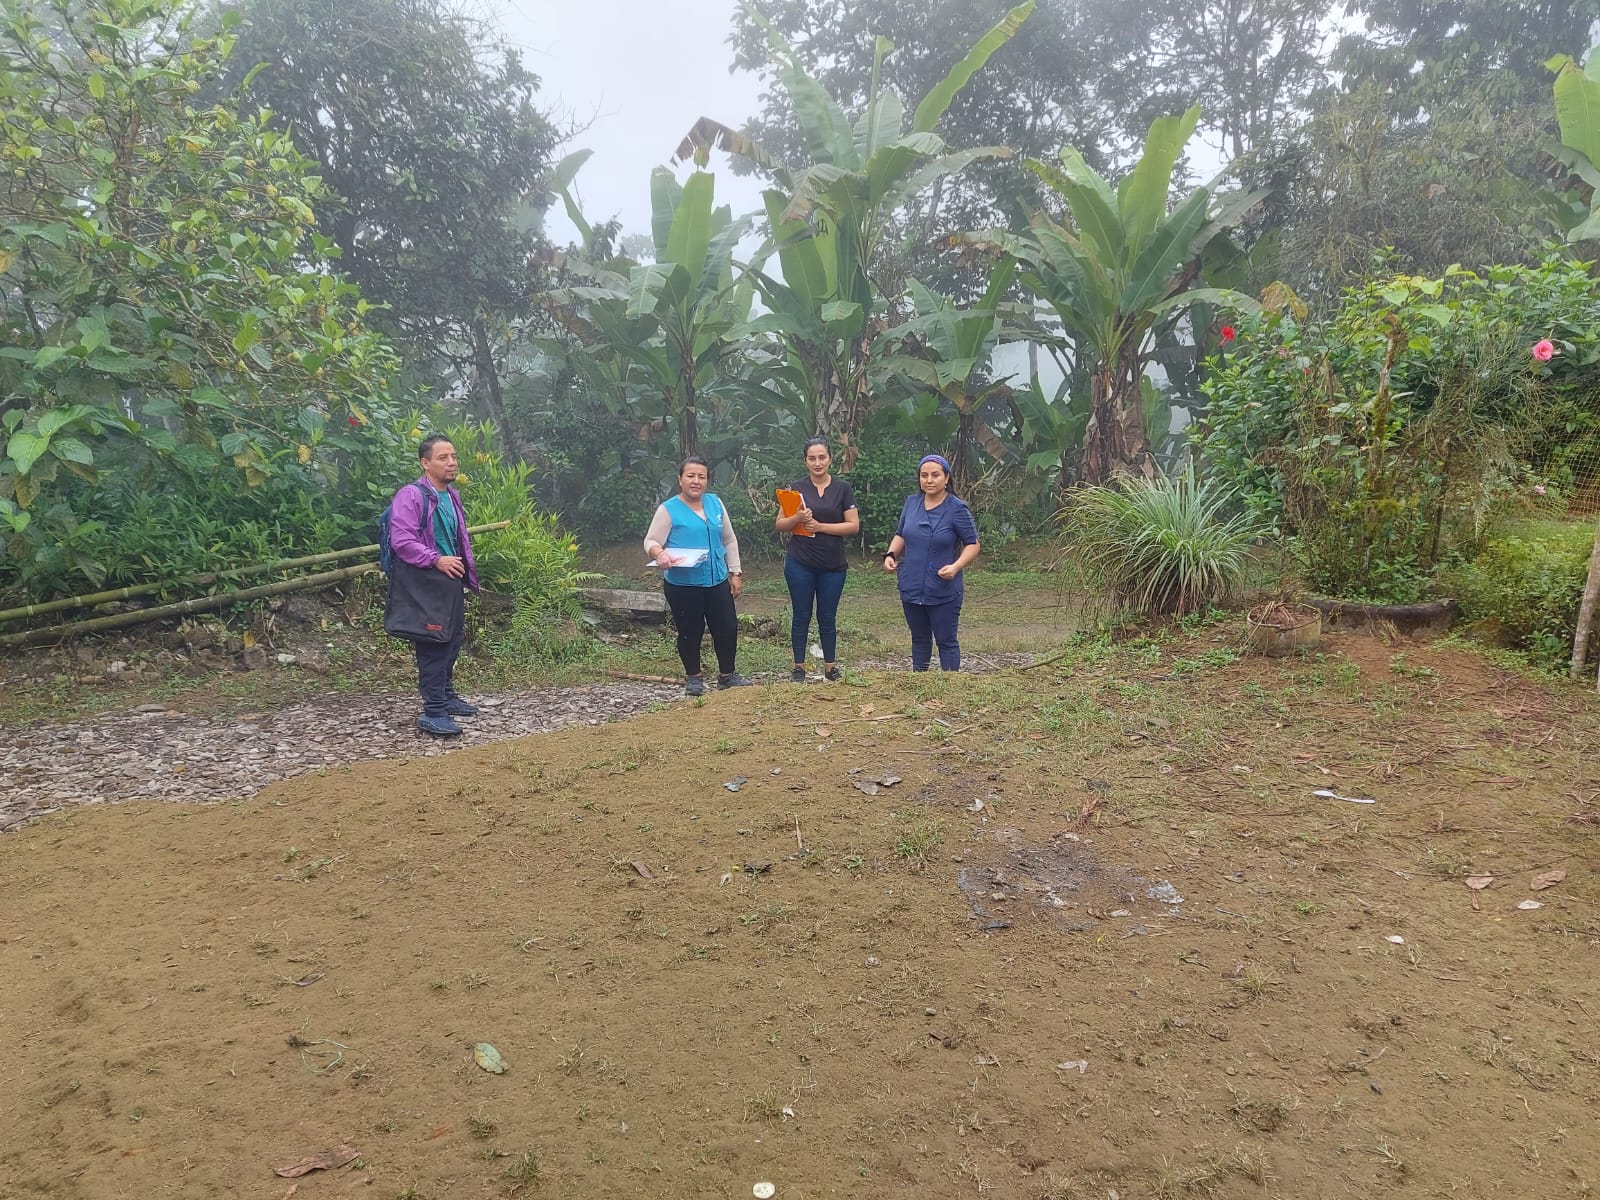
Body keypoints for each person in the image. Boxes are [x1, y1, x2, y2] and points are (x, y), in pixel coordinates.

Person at [388, 435, 480, 736]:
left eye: (453, 456)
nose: (451, 463)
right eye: (443, 458)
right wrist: (436, 559)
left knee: (452, 639)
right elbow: (402, 540)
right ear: (425, 463)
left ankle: (447, 696)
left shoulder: (451, 495)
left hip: (449, 579)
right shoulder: (411, 496)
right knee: (433, 644)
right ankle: (434, 711)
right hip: (426, 581)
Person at [643, 456, 753, 695]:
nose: (696, 481)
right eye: (690, 476)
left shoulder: (715, 503)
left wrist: (735, 572)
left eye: (701, 477)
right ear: (680, 480)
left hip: (717, 580)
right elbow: (650, 540)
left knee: (727, 627)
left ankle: (727, 676)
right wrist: (659, 553)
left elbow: (729, 539)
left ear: (707, 480)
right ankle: (693, 677)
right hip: (684, 584)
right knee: (689, 631)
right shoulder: (669, 509)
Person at [883, 454, 980, 672]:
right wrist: (890, 554)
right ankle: (920, 681)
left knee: (946, 641)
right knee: (919, 639)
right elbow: (901, 534)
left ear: (946, 478)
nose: (929, 480)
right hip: (911, 583)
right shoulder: (911, 503)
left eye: (935, 475)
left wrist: (956, 566)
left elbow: (973, 544)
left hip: (943, 587)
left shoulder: (957, 508)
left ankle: (949, 684)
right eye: (924, 475)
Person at [775, 437, 860, 682]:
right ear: (806, 462)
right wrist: (797, 518)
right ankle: (799, 667)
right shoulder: (796, 488)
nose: (817, 463)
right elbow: (780, 524)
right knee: (801, 615)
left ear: (830, 459)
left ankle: (830, 667)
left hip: (833, 565)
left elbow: (853, 526)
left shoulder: (843, 488)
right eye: (812, 458)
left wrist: (821, 526)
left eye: (822, 457)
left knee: (827, 616)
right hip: (800, 562)